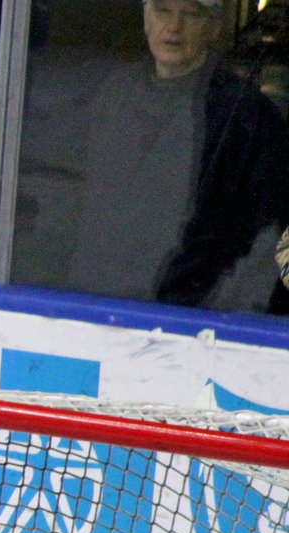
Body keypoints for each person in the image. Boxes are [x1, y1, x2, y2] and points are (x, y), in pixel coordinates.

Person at [59, 0, 289, 310]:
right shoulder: (114, 94)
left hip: (190, 321)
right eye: (163, 10)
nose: (174, 26)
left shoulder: (247, 115)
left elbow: (266, 242)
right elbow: (82, 208)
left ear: (214, 28)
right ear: (145, 19)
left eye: (191, 14)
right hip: (98, 304)